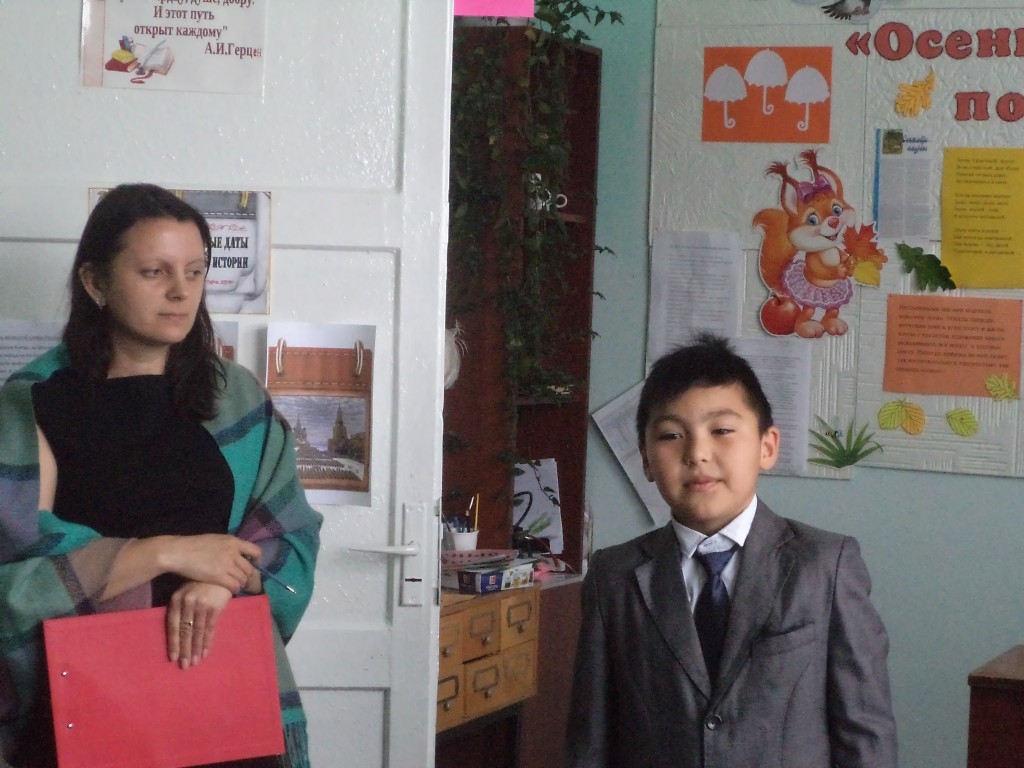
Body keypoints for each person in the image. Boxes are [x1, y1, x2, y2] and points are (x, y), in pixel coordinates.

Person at [0, 184, 323, 768]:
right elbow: (19, 573)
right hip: (90, 705)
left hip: (223, 699)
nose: (181, 291)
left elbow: (290, 536)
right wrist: (166, 553)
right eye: (155, 271)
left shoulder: (235, 398)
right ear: (96, 283)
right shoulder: (32, 405)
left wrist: (226, 580)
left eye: (195, 271)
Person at [565, 333, 897, 768]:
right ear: (645, 458)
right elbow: (590, 740)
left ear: (767, 446)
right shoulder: (614, 576)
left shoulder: (824, 566)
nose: (697, 453)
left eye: (721, 430)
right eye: (670, 435)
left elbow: (865, 735)